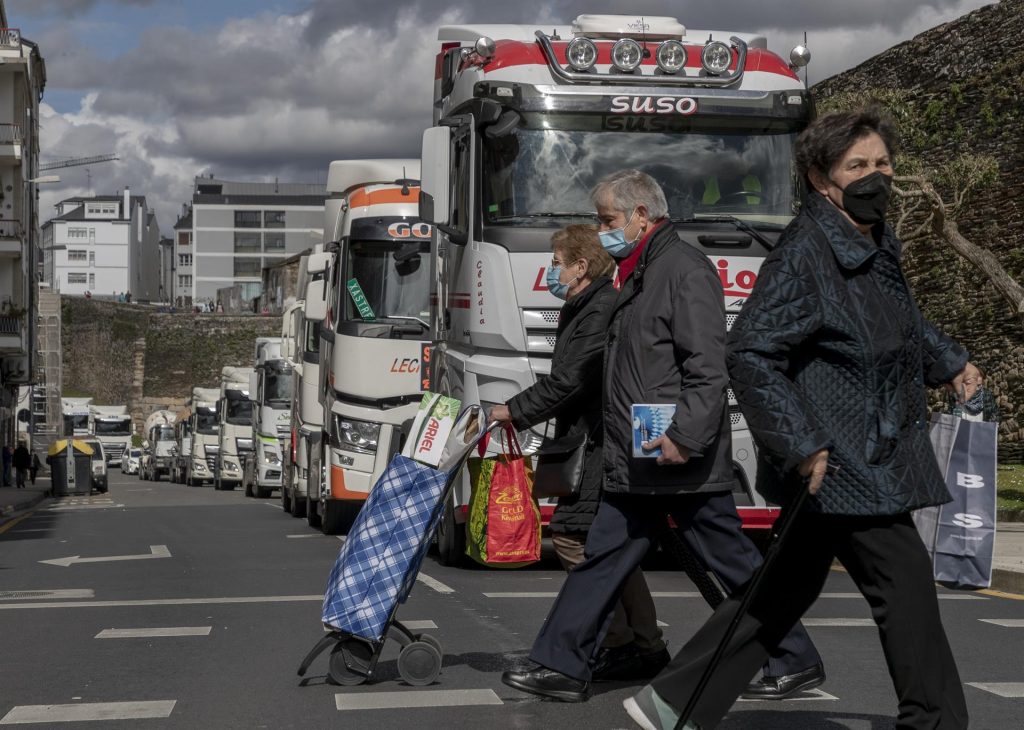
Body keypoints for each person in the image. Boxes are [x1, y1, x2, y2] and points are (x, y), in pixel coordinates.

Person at [624, 108, 973, 730]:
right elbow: (751, 351)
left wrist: (948, 362)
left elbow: (896, 323)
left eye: (882, 164)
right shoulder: (806, 253)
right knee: (907, 587)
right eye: (857, 166)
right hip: (842, 454)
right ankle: (935, 721)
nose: (875, 177)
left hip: (864, 447)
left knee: (783, 589)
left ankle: (672, 699)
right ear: (820, 178)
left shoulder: (873, 235)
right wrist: (802, 444)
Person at [501, 170, 823, 704]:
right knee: (604, 558)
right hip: (642, 456)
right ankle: (559, 663)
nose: (602, 230)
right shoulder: (642, 271)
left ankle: (794, 657)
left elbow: (707, 365)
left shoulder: (682, 270)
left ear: (641, 217)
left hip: (676, 455)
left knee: (731, 562)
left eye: (607, 220)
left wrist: (684, 436)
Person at [490, 224, 668, 681]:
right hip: (591, 438)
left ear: (580, 267)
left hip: (598, 440)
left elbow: (571, 379)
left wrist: (514, 410)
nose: (551, 271)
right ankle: (645, 645)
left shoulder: (598, 309)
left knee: (575, 538)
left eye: (556, 262)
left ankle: (619, 642)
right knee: (610, 548)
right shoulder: (583, 305)